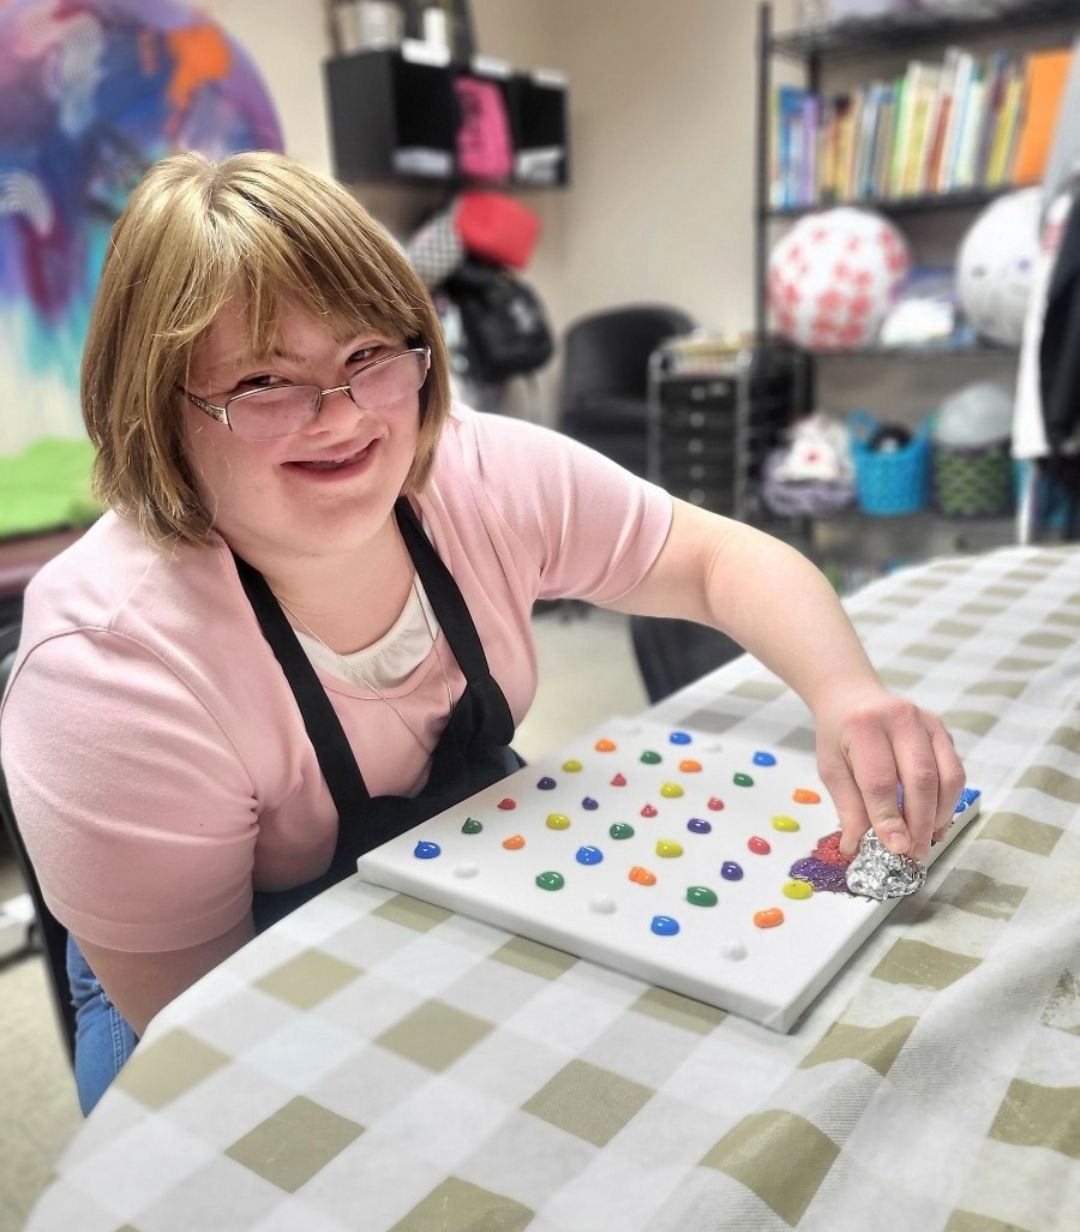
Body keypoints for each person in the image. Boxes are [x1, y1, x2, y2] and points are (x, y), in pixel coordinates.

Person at [0, 151, 965, 1114]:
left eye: (369, 355)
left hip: (459, 856)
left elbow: (718, 559)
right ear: (156, 409)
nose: (341, 418)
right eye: (263, 380)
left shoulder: (475, 475)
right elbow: (216, 1039)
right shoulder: (111, 668)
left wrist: (846, 693)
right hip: (221, 971)